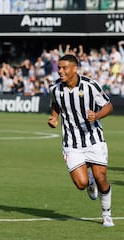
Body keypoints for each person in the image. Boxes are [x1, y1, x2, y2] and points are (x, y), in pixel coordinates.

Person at [47, 54, 114, 227]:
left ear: (74, 69)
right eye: (59, 68)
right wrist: (54, 118)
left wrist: (97, 115)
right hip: (71, 142)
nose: (60, 71)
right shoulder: (55, 88)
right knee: (81, 184)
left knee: (102, 176)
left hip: (94, 138)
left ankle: (106, 214)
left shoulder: (90, 86)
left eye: (64, 68)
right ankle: (89, 180)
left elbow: (108, 105)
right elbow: (56, 103)